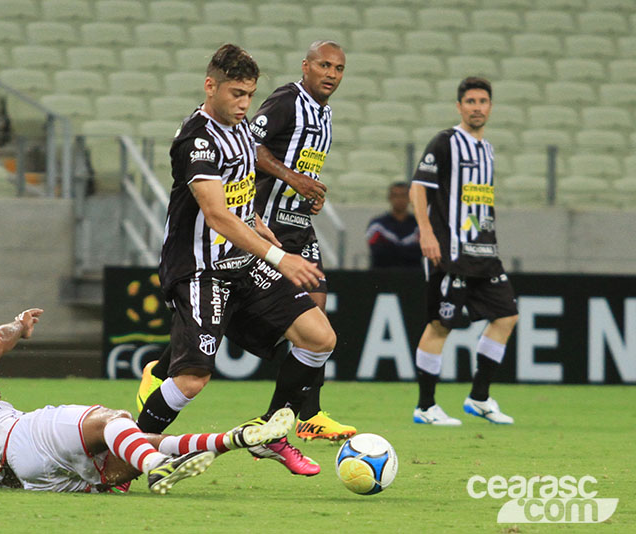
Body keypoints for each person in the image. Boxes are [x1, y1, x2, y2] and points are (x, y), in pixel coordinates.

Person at [136, 44, 336, 477]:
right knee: (192, 379)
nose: (245, 103)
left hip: (241, 262)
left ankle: (272, 432)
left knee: (319, 337)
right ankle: (123, 455)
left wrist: (261, 226)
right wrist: (279, 255)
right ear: (211, 87)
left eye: (249, 94)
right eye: (236, 94)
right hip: (199, 269)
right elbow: (216, 213)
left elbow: (240, 197)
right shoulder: (197, 138)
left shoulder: (241, 129)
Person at [0, 308, 294, 494]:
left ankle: (234, 439)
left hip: (26, 477)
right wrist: (19, 326)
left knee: (121, 458)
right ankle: (157, 466)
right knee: (112, 420)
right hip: (21, 436)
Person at [248, 40, 355, 442]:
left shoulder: (325, 114)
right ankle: (164, 368)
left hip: (297, 223)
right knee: (237, 317)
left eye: (339, 68)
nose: (331, 74)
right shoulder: (286, 101)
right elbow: (249, 145)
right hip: (266, 226)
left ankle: (307, 414)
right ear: (305, 66)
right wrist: (294, 179)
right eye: (324, 65)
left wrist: (309, 194)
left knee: (318, 313)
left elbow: (302, 166)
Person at [409, 77, 518, 426]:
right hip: (450, 251)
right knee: (441, 324)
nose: (477, 107)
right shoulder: (446, 141)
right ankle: (426, 407)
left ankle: (480, 398)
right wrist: (426, 232)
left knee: (507, 316)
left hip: (484, 253)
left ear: (490, 106)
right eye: (470, 101)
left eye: (483, 101)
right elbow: (418, 188)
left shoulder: (487, 149)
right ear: (459, 106)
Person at [365, 181, 422, 270]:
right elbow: (378, 252)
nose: (399, 200)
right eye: (395, 196)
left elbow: (421, 251)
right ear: (389, 198)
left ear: (410, 198)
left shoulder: (419, 225)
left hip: (413, 275)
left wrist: (392, 248)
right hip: (382, 275)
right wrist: (407, 251)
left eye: (403, 195)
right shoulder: (377, 225)